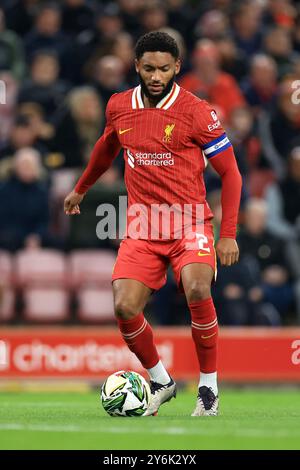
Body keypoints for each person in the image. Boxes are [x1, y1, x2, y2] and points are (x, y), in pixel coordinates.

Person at [64, 32, 242, 417]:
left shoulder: (197, 111)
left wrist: (227, 234)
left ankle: (208, 388)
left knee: (197, 288)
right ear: (137, 67)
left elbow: (231, 174)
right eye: (149, 68)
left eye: (164, 68)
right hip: (142, 226)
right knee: (125, 307)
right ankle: (161, 380)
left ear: (177, 67)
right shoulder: (118, 106)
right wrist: (81, 188)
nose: (156, 75)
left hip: (190, 221)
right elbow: (106, 148)